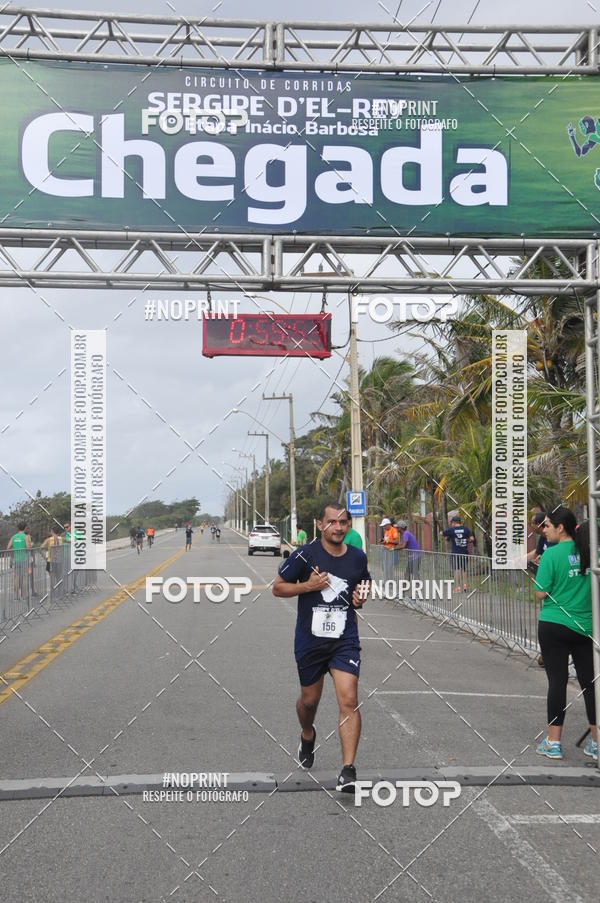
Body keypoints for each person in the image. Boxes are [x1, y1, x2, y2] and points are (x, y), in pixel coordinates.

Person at [273, 501, 371, 793]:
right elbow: (278, 587)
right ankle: (307, 733)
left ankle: (348, 770)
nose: (338, 528)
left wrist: (360, 597)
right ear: (320, 524)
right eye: (332, 522)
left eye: (343, 523)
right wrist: (309, 586)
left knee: (349, 700)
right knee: (309, 702)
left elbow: (363, 585)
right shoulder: (305, 555)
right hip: (310, 641)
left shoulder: (357, 557)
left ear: (348, 526)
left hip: (345, 640)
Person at [534, 509, 597, 761]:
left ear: (561, 528)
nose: (544, 529)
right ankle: (596, 742)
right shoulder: (592, 554)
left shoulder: (551, 555)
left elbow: (540, 593)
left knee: (557, 682)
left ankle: (554, 742)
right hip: (585, 627)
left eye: (547, 525)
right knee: (591, 686)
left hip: (554, 625)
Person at [443, 514, 475, 592]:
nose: (452, 524)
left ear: (454, 522)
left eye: (452, 522)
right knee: (464, 569)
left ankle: (457, 587)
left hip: (456, 553)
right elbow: (472, 538)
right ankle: (465, 586)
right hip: (464, 552)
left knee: (456, 569)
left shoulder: (452, 530)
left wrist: (443, 533)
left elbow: (443, 533)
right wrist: (466, 541)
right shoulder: (465, 529)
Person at [7, 522, 32, 600]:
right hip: (24, 559)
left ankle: (16, 596)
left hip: (16, 559)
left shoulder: (14, 537)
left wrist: (15, 549)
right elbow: (28, 548)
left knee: (16, 578)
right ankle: (24, 595)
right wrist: (30, 546)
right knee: (24, 577)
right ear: (25, 528)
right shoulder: (25, 536)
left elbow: (8, 547)